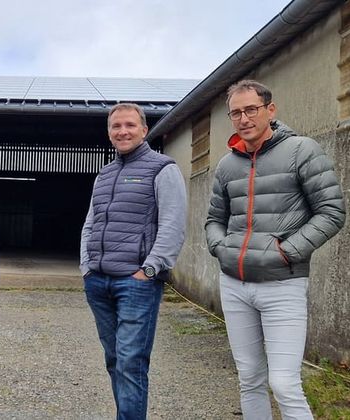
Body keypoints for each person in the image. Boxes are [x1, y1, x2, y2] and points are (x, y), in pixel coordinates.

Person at [206, 80, 345, 420]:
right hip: (235, 284)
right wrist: (221, 248)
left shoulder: (302, 150)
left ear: (270, 110)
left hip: (283, 285)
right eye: (236, 112)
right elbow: (214, 219)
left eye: (251, 109)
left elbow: (331, 212)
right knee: (250, 379)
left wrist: (286, 252)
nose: (243, 118)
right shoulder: (227, 165)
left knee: (283, 383)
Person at [80, 103, 187, 420]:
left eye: (129, 125)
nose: (122, 131)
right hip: (98, 281)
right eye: (116, 126)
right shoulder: (105, 174)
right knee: (114, 358)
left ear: (143, 129)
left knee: (131, 361)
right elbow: (91, 222)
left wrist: (150, 269)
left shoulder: (162, 168)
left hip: (135, 283)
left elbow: (173, 223)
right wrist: (86, 267)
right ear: (109, 132)